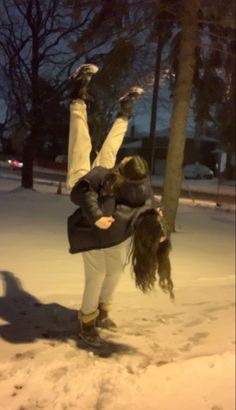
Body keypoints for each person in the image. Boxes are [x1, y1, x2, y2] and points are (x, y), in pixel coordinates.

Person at [66, 64, 173, 347]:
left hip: (103, 197)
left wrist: (154, 216)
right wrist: (98, 216)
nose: (123, 161)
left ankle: (124, 111)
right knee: (82, 144)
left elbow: (144, 202)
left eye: (124, 165)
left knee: (113, 271)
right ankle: (77, 96)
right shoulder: (108, 177)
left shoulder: (130, 181)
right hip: (83, 184)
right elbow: (84, 195)